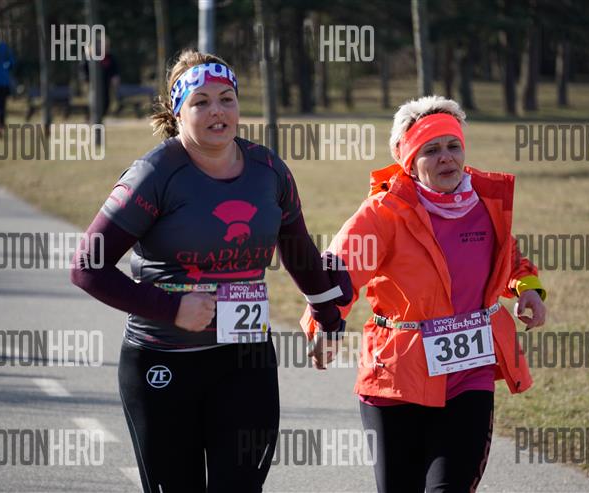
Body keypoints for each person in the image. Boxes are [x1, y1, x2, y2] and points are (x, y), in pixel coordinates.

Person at [70, 50, 351, 493]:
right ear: (177, 112)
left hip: (246, 360)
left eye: (226, 99)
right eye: (201, 102)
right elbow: (87, 266)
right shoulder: (154, 174)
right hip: (163, 362)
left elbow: (299, 252)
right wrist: (172, 308)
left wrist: (329, 321)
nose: (217, 111)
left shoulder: (268, 170)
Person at [301, 95, 547, 493]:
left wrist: (528, 288)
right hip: (396, 375)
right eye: (431, 150)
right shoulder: (383, 212)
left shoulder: (484, 203)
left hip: (469, 372)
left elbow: (508, 257)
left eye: (453, 146)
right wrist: (323, 327)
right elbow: (338, 272)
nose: (446, 157)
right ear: (409, 161)